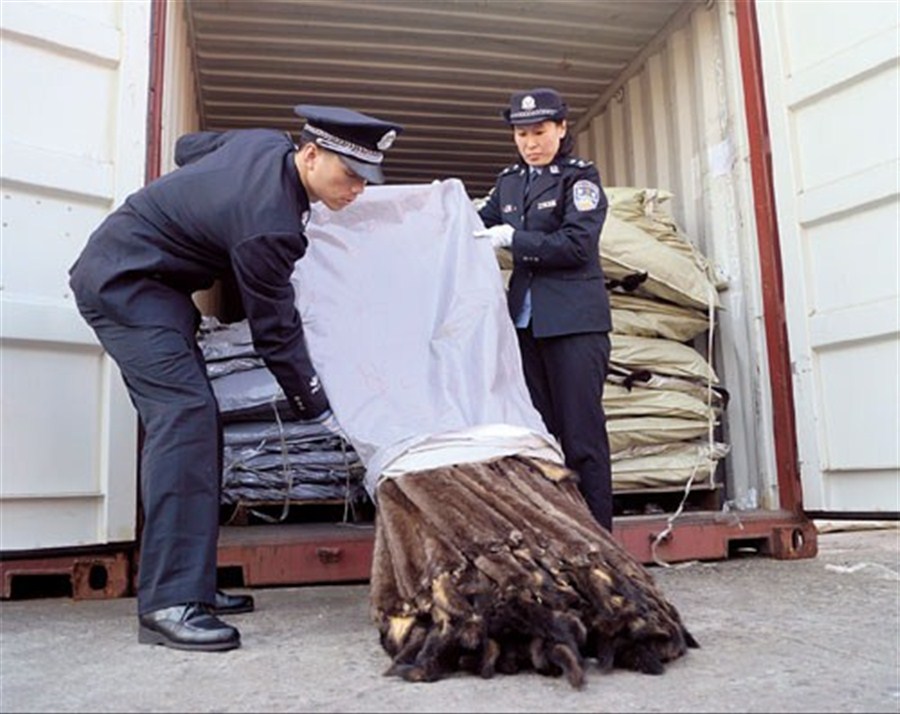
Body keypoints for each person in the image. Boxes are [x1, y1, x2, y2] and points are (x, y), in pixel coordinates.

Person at [68, 105, 403, 651]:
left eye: (368, 179)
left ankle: (191, 583)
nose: (358, 190)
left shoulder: (264, 144)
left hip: (156, 285)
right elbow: (276, 333)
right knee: (185, 418)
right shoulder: (269, 224)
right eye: (350, 176)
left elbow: (187, 147)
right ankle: (168, 603)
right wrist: (317, 407)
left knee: (202, 423)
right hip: (125, 284)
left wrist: (189, 204)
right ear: (312, 155)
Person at [475, 88, 614, 531]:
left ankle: (598, 541)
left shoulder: (581, 180)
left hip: (573, 323)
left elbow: (576, 246)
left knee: (581, 436)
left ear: (561, 128)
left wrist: (513, 240)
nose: (530, 143)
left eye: (539, 132)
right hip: (526, 326)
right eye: (521, 134)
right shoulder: (511, 182)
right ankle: (557, 534)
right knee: (536, 436)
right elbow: (475, 225)